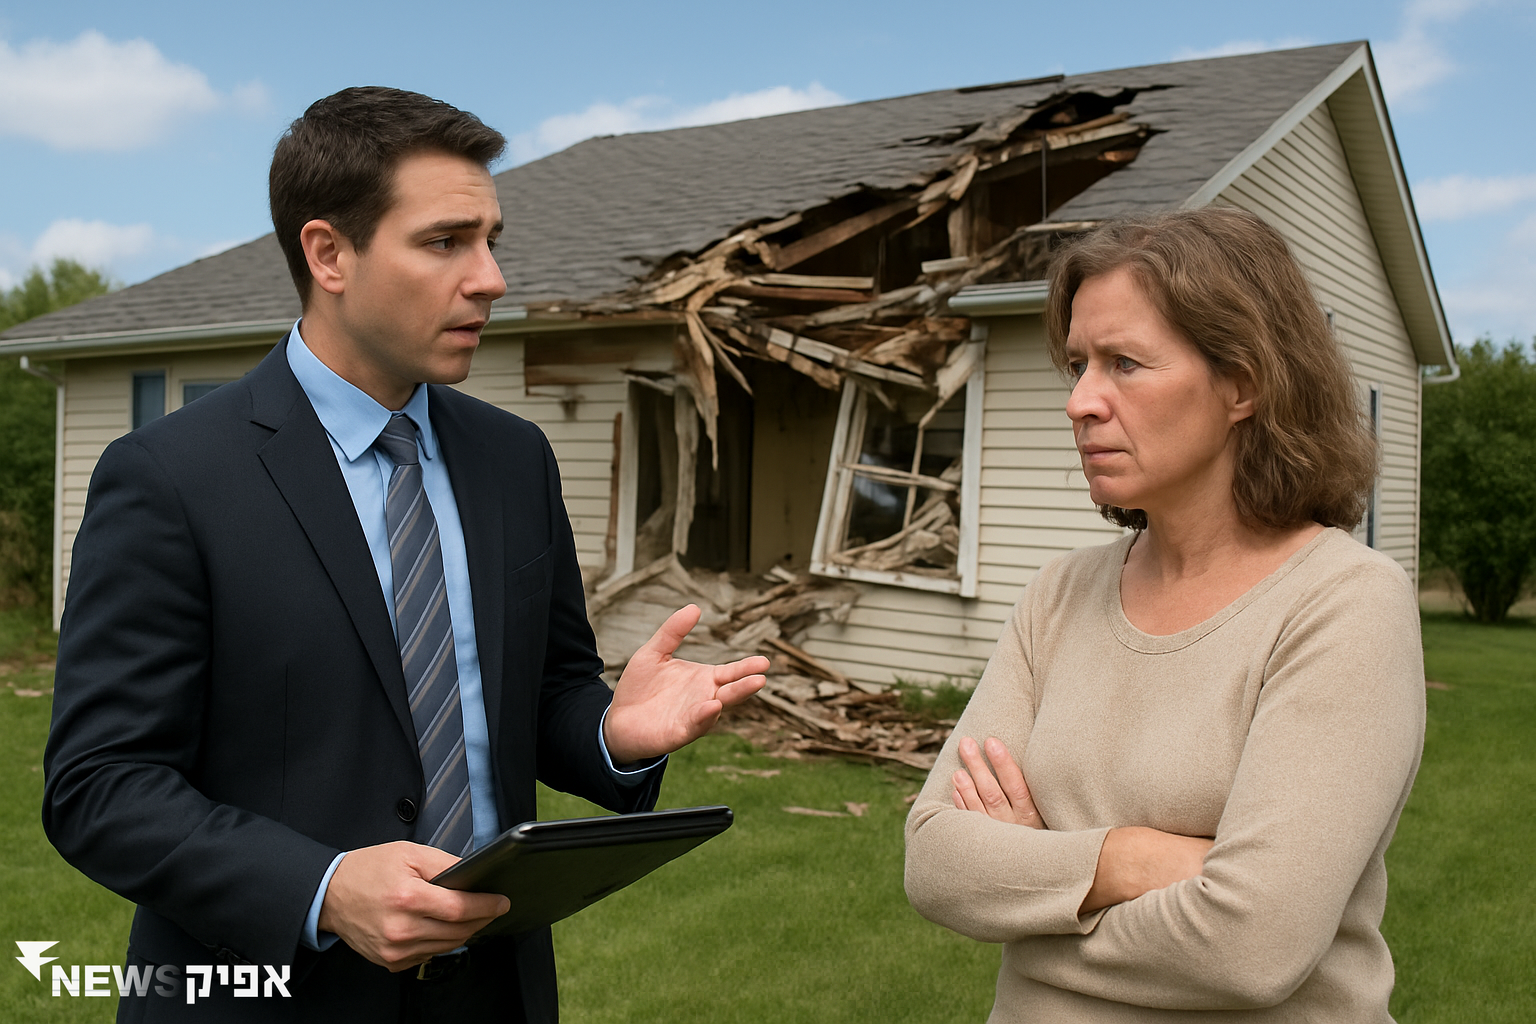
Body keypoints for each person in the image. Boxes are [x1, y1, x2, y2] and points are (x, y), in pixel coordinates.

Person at [42, 87, 768, 1024]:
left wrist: (609, 735)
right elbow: (102, 786)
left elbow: (542, 692)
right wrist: (324, 886)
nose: (491, 277)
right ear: (328, 254)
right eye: (444, 242)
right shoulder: (170, 478)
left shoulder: (513, 460)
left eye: (491, 239)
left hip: (494, 993)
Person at [904, 207, 1425, 1022]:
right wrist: (1135, 859)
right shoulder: (1058, 597)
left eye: (1124, 364)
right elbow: (936, 861)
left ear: (1243, 384)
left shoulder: (1343, 603)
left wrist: (1035, 882)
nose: (1081, 401)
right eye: (1078, 365)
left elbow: (1251, 946)